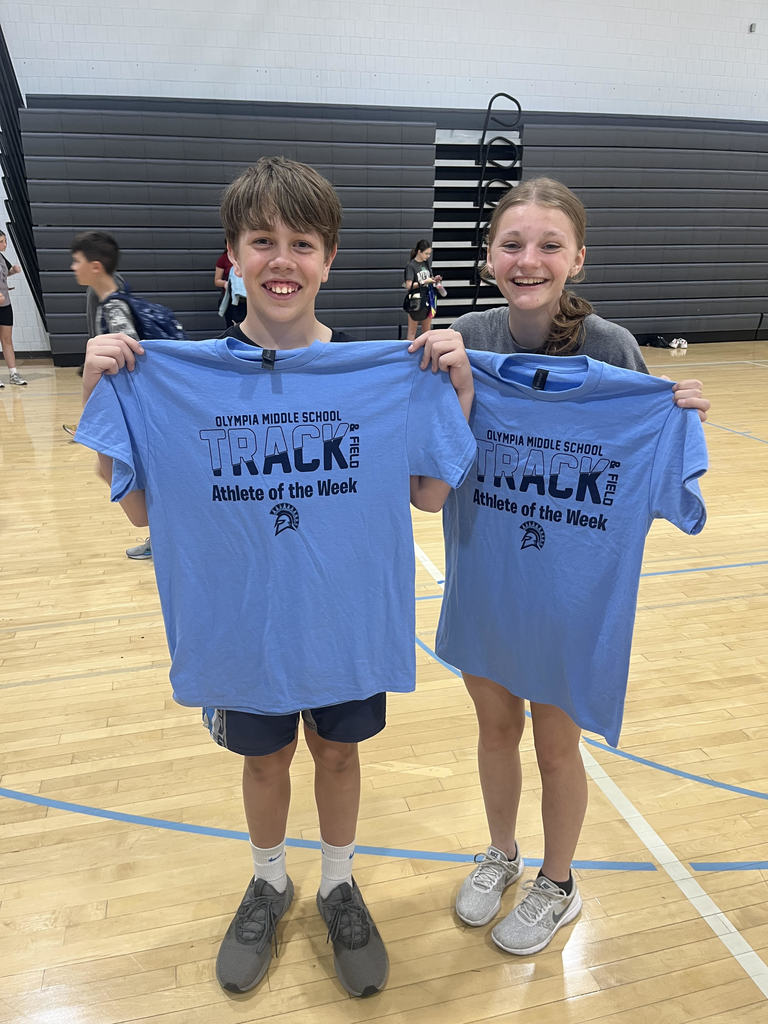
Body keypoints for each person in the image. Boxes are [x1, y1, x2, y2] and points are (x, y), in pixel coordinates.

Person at [74, 156, 475, 999]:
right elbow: (143, 513)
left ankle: (336, 881)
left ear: (329, 259)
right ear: (234, 256)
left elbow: (431, 494)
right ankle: (268, 879)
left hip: (344, 617)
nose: (282, 260)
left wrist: (458, 386)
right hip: (243, 623)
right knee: (264, 764)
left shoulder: (383, 372)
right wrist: (101, 388)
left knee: (337, 755)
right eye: (263, 241)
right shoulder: (181, 376)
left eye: (302, 242)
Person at [411, 177, 710, 957]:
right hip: (485, 577)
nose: (529, 258)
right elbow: (430, 474)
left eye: (549, 244)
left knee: (554, 744)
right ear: (487, 258)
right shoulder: (464, 338)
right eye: (512, 243)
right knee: (494, 727)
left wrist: (672, 418)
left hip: (570, 596)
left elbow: (638, 485)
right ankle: (501, 852)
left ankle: (560, 882)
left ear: (578, 257)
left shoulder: (610, 349)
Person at [68, 232, 152, 560]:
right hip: (131, 414)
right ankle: (160, 534)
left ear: (95, 266)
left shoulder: (115, 307)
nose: (72, 267)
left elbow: (131, 365)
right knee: (110, 472)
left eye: (77, 261)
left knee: (119, 475)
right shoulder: (113, 299)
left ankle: (162, 535)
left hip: (136, 415)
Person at [0, 230, 28, 387]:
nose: (5, 244)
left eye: (5, 241)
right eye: (1, 241)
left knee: (7, 339)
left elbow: (4, 275)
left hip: (5, 304)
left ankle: (13, 374)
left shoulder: (2, 257)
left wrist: (13, 271)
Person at [402, 239, 444, 341]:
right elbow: (408, 285)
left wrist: (434, 279)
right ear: (419, 252)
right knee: (412, 332)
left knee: (427, 331)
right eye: (426, 253)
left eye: (429, 254)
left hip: (428, 299)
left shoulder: (426, 264)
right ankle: (409, 354)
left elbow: (429, 279)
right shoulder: (411, 266)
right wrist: (424, 281)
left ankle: (426, 353)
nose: (428, 256)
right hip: (416, 301)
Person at [215, 247, 247, 326]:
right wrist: (225, 284)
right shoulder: (223, 259)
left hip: (247, 300)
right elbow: (217, 281)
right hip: (231, 301)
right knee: (232, 327)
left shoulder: (247, 257)